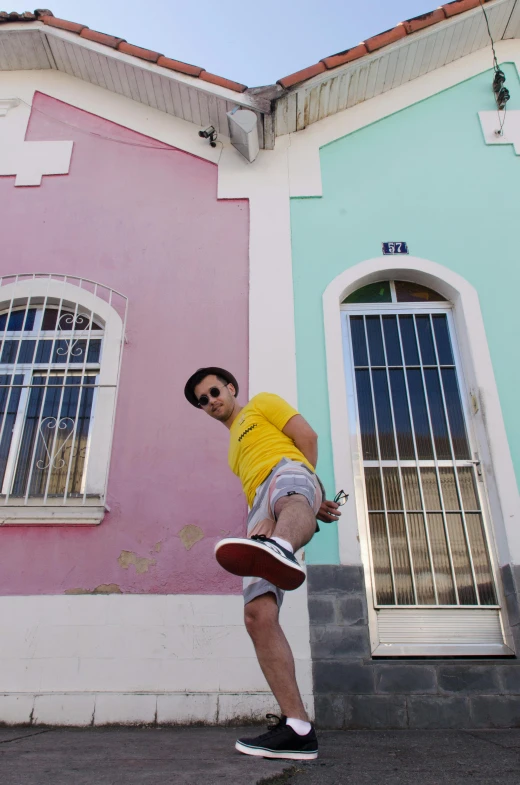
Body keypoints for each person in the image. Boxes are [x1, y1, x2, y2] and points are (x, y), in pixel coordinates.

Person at [184, 367, 343, 761]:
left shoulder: (261, 405)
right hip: (260, 506)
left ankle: (283, 547)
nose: (211, 401)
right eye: (202, 401)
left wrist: (310, 484)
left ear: (231, 388)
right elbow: (263, 495)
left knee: (291, 499)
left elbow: (307, 437)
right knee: (257, 615)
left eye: (214, 391)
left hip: (288, 472)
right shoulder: (232, 451)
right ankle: (298, 728)